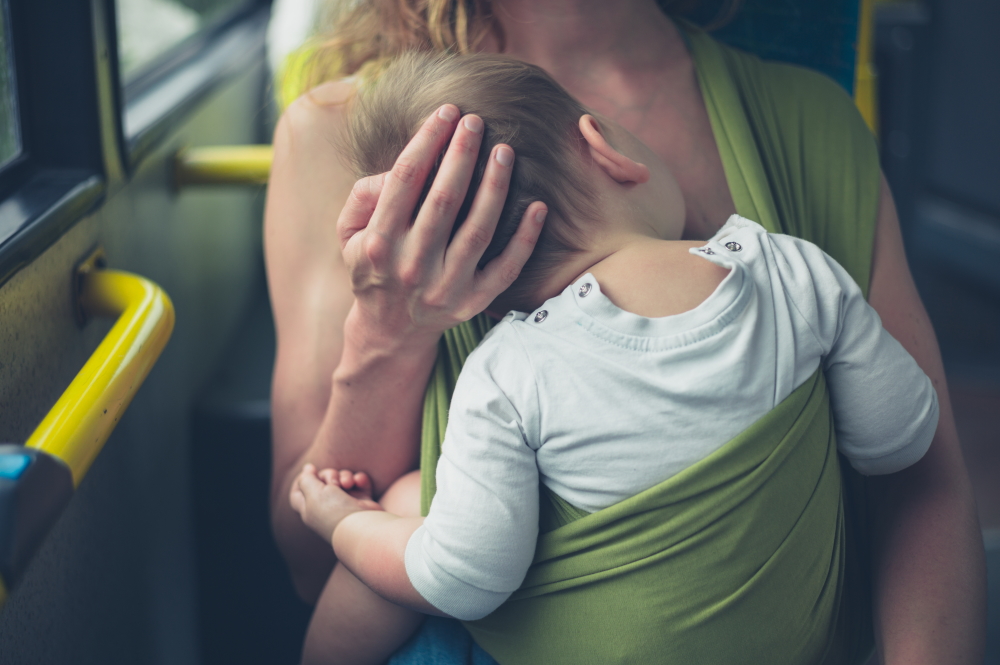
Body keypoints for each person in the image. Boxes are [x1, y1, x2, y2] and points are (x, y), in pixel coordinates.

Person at [264, 2, 987, 664]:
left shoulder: (809, 125)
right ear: (608, 152)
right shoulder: (337, 138)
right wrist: (389, 332)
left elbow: (923, 488)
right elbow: (307, 566)